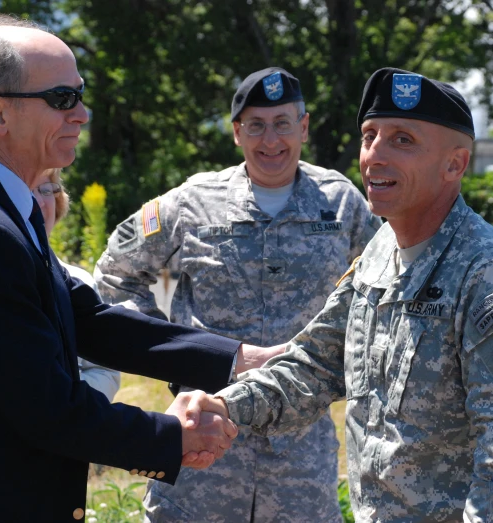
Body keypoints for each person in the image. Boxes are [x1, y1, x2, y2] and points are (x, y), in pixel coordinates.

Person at [0, 14, 279, 521]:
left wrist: (238, 358)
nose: (82, 114)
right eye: (63, 99)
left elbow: (87, 319)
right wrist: (172, 435)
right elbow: (49, 411)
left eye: (80, 96)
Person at [208, 68, 493, 522]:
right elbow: (314, 365)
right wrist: (222, 407)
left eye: (403, 141)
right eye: (370, 136)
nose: (375, 155)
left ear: (455, 164)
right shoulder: (379, 252)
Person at [95, 67, 381, 522]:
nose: (271, 140)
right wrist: (171, 354)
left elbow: (380, 290)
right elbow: (114, 278)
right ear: (236, 133)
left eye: (283, 123)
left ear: (303, 127)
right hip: (202, 445)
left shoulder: (341, 203)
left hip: (299, 452)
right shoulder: (193, 202)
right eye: (256, 125)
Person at [34, 169, 121, 401]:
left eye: (46, 190)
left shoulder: (79, 281)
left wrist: (68, 400)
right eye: (26, 191)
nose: (39, 202)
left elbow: (106, 371)